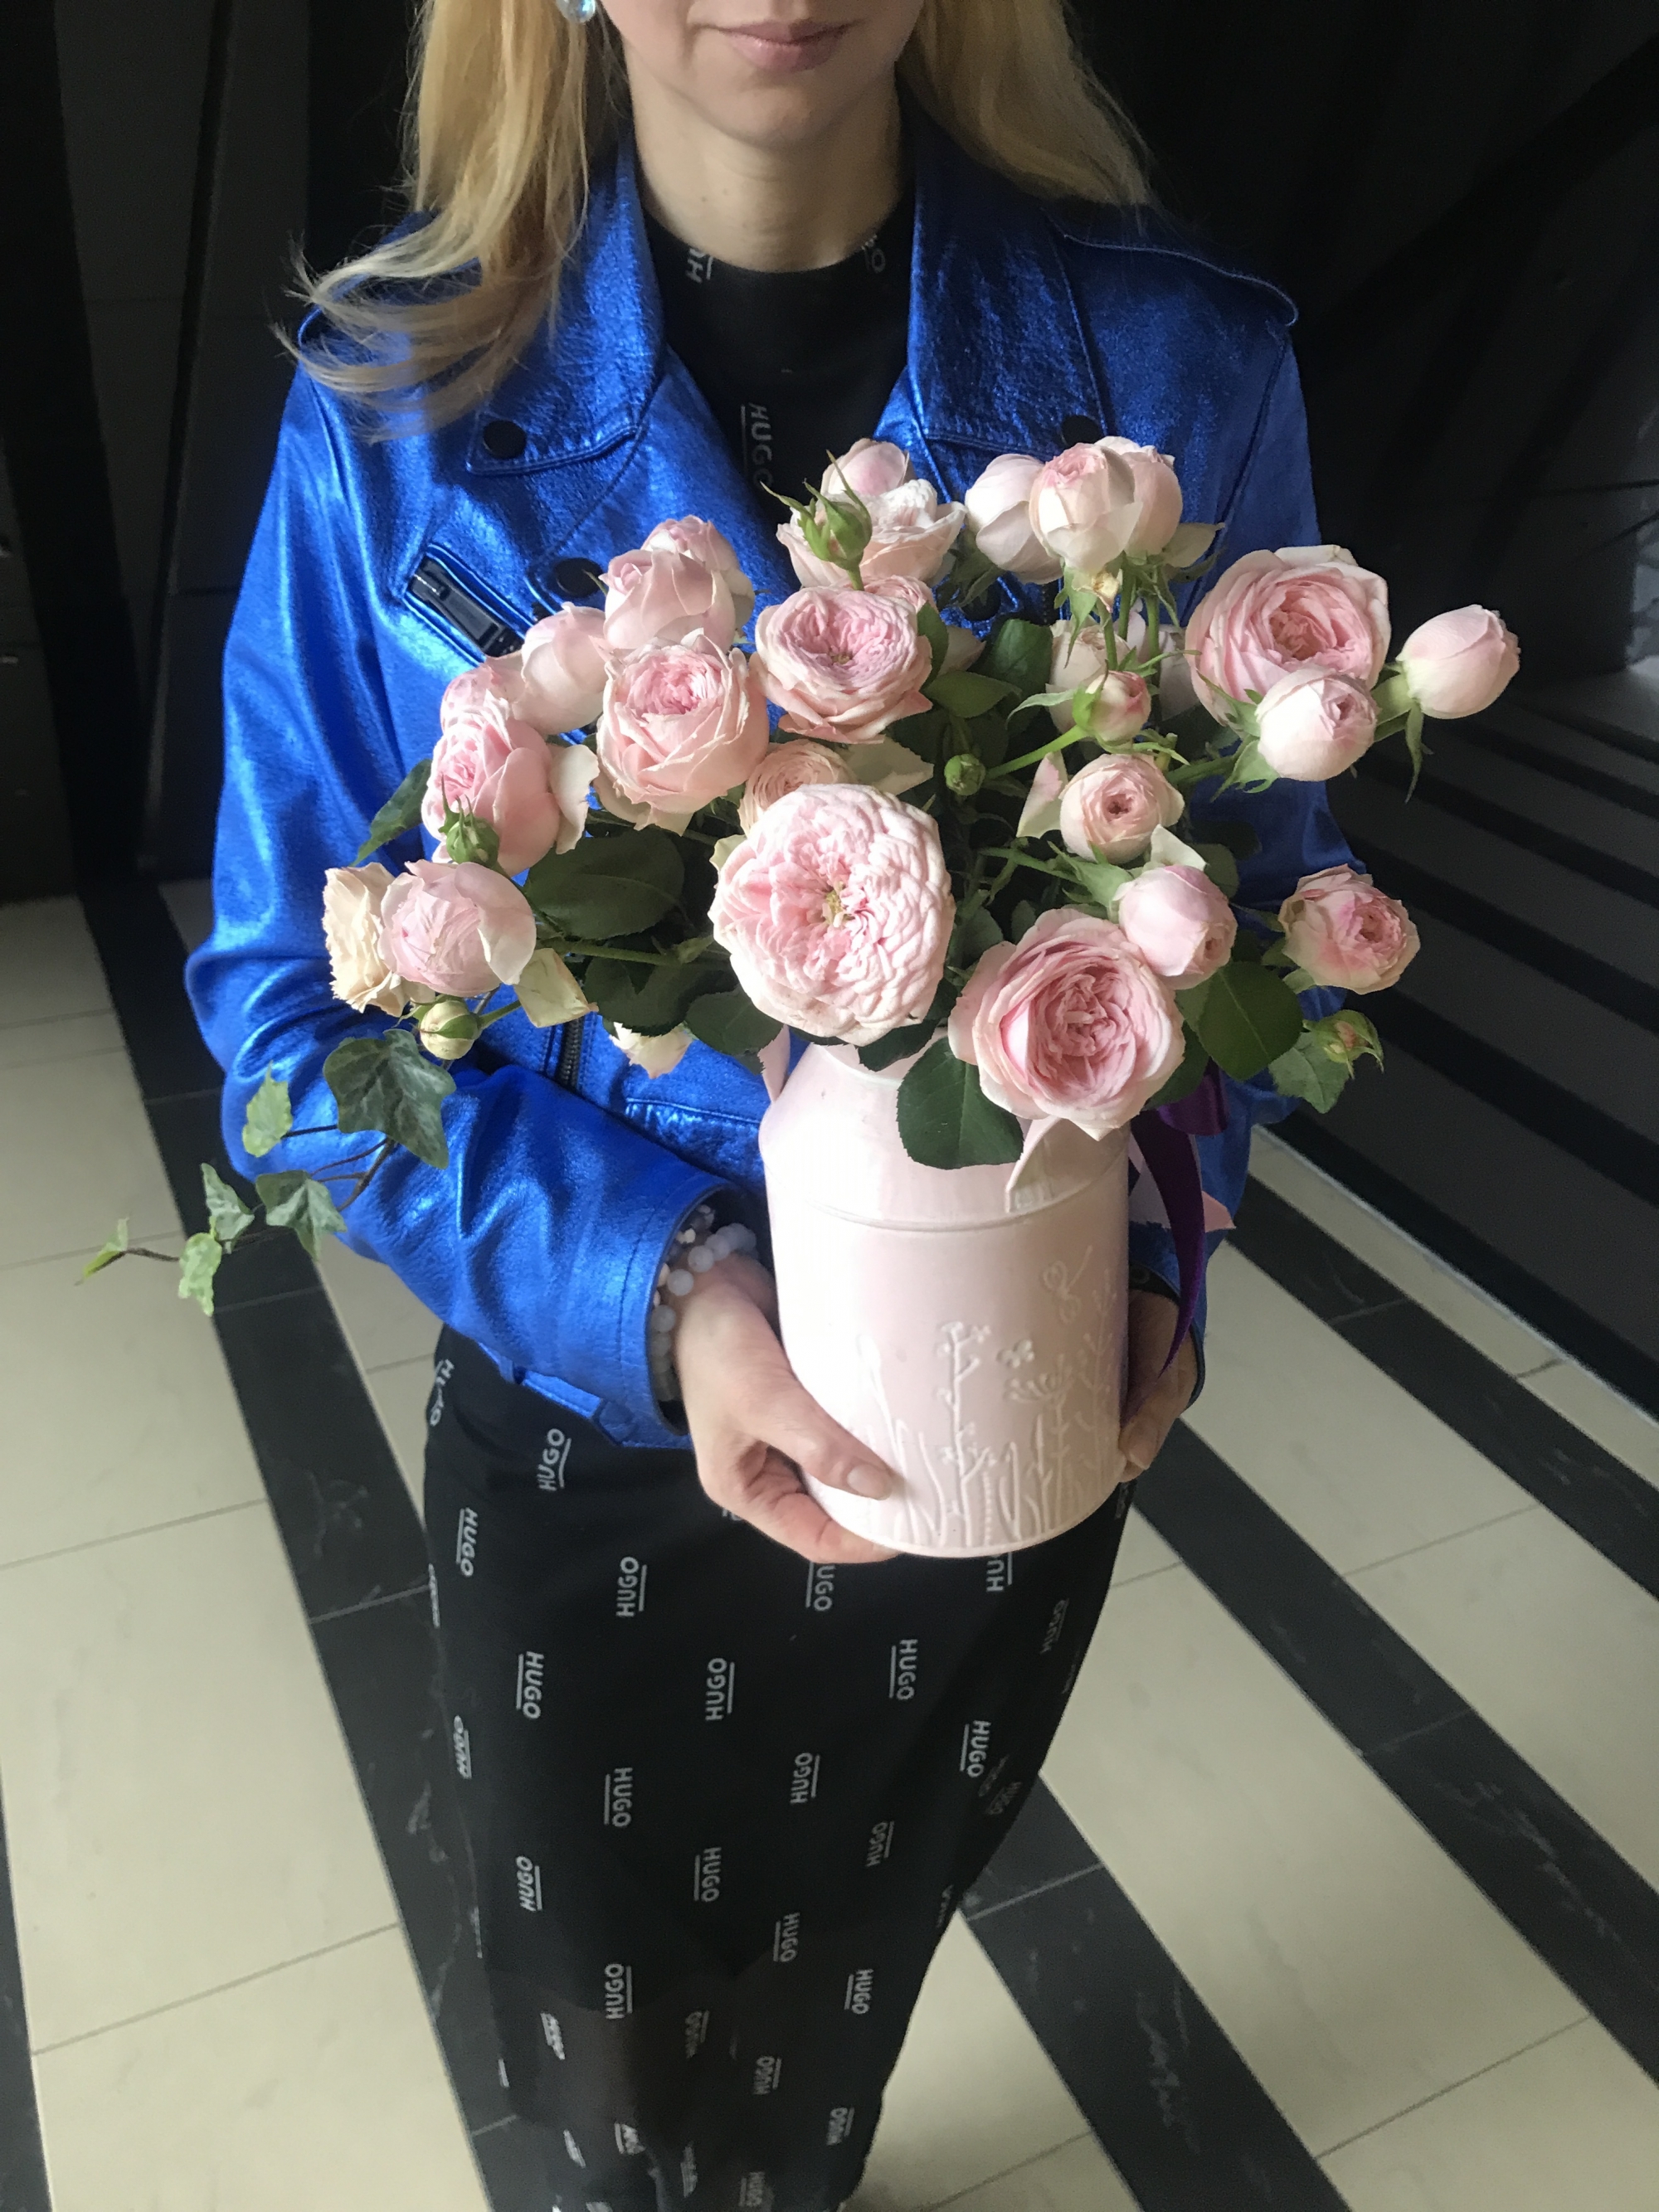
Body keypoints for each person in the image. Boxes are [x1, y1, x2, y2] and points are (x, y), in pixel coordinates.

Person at [187, 4, 1354, 2205]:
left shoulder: (1179, 373)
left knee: (844, 1985)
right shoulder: (395, 414)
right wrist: (672, 1293)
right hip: (594, 1410)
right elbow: (287, 1019)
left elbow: (1268, 918)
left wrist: (1154, 1251)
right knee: (610, 2090)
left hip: (993, 1391)